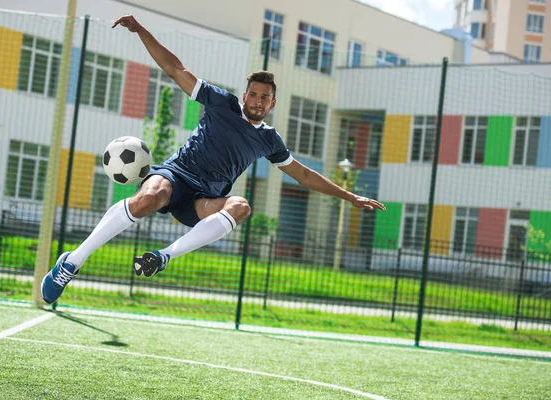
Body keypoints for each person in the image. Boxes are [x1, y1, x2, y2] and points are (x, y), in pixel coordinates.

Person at [41, 15, 386, 304]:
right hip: (176, 177)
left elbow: (306, 176)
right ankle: (72, 262)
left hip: (203, 200)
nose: (257, 100)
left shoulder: (269, 139)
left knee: (241, 206)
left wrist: (349, 196)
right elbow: (175, 68)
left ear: (272, 103)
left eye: (265, 97)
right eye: (253, 93)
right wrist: (141, 30)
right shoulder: (220, 102)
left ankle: (163, 257)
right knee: (150, 197)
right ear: (245, 93)